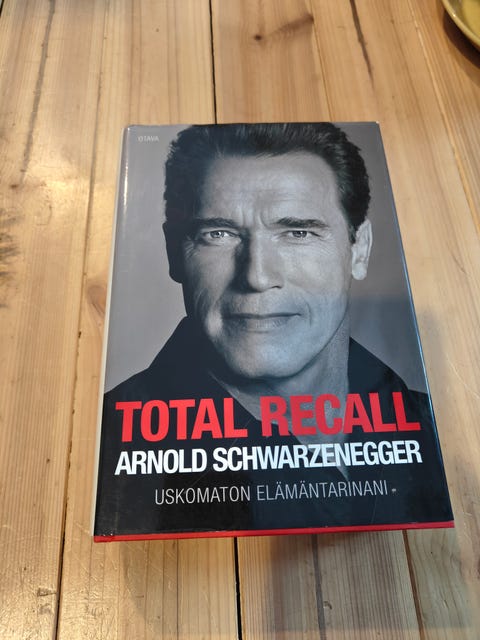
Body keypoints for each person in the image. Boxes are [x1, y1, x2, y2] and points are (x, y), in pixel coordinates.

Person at [95, 124, 452, 538]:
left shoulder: (430, 428)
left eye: (298, 232)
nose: (258, 276)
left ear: (360, 249)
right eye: (219, 233)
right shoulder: (112, 448)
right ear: (174, 252)